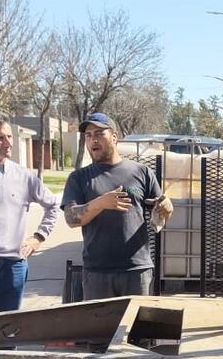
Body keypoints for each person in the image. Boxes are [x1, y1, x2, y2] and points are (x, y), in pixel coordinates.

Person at [61, 112, 171, 300]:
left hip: (137, 269)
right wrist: (100, 203)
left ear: (114, 136)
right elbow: (71, 219)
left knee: (135, 328)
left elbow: (159, 211)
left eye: (98, 133)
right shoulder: (79, 178)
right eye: (88, 135)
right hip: (97, 273)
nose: (93, 140)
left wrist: (166, 208)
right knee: (100, 329)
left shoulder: (142, 172)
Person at [0, 111, 61, 315]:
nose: (8, 143)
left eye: (10, 137)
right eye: (0, 138)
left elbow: (53, 205)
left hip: (14, 264)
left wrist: (38, 237)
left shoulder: (25, 176)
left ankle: (7, 349)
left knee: (10, 328)